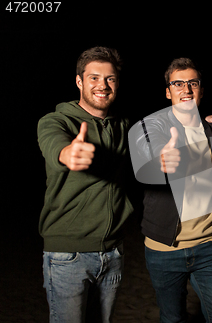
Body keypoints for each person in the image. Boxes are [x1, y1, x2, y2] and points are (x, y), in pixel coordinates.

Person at [133, 57, 212, 323]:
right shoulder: (154, 127)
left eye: (192, 83)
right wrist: (160, 158)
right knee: (172, 318)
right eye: (178, 83)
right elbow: (150, 146)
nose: (186, 89)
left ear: (201, 90)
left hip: (210, 246)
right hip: (164, 249)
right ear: (168, 92)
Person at [37, 46, 134, 322]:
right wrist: (68, 154)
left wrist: (203, 123)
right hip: (68, 255)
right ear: (79, 81)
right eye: (93, 78)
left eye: (110, 79)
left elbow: (161, 128)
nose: (102, 85)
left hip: (113, 252)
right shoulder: (56, 121)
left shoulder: (122, 126)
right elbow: (53, 143)